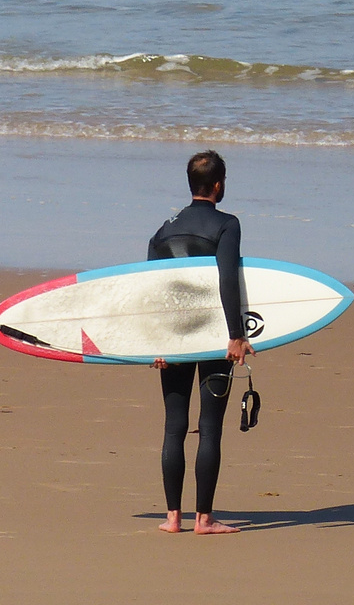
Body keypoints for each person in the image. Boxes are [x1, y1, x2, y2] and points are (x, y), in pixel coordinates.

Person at [147, 150, 255, 535]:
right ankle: (204, 519)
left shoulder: (163, 230)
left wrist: (156, 344)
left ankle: (173, 518)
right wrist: (236, 336)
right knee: (209, 428)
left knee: (174, 426)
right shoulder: (227, 224)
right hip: (212, 337)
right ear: (219, 184)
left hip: (174, 337)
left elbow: (152, 291)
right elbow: (228, 279)